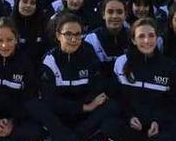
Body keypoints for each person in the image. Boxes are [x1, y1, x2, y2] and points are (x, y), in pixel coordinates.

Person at [36, 13, 122, 141]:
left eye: (78, 34)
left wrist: (86, 105)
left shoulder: (88, 54)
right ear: (59, 35)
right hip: (62, 115)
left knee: (112, 106)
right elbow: (51, 99)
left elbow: (96, 88)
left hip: (85, 116)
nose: (73, 39)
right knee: (38, 107)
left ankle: (75, 137)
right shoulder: (50, 59)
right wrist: (82, 107)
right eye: (68, 34)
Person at [113, 18, 176, 141]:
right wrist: (129, 117)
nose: (147, 41)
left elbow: (175, 103)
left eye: (151, 35)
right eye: (141, 36)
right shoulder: (121, 62)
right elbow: (117, 98)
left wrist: (158, 122)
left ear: (157, 38)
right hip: (130, 126)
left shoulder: (169, 67)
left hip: (159, 128)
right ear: (133, 40)